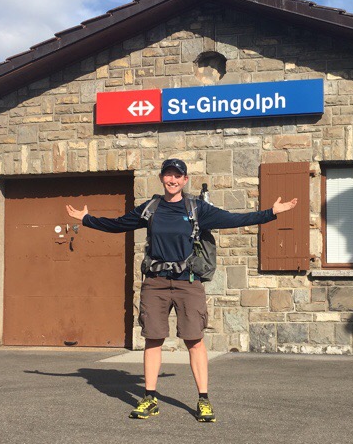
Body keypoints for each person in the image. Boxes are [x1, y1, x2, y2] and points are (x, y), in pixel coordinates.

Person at [66, 158, 297, 422]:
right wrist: (86, 219)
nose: (172, 180)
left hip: (188, 282)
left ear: (185, 180)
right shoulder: (150, 209)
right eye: (168, 175)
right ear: (161, 178)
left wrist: (271, 212)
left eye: (178, 176)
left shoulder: (197, 209)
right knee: (153, 339)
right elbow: (118, 224)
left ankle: (203, 400)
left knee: (194, 340)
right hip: (155, 283)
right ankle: (150, 398)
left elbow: (234, 219)